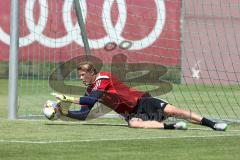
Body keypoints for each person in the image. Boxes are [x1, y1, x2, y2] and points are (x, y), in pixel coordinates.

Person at [53, 61, 228, 131]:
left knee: (175, 110)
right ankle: (173, 127)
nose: (81, 78)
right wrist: (65, 113)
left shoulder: (103, 77)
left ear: (92, 72)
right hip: (131, 113)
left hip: (142, 100)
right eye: (80, 76)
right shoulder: (88, 91)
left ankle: (213, 125)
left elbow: (91, 99)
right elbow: (84, 114)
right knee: (133, 123)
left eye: (83, 75)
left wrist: (68, 99)